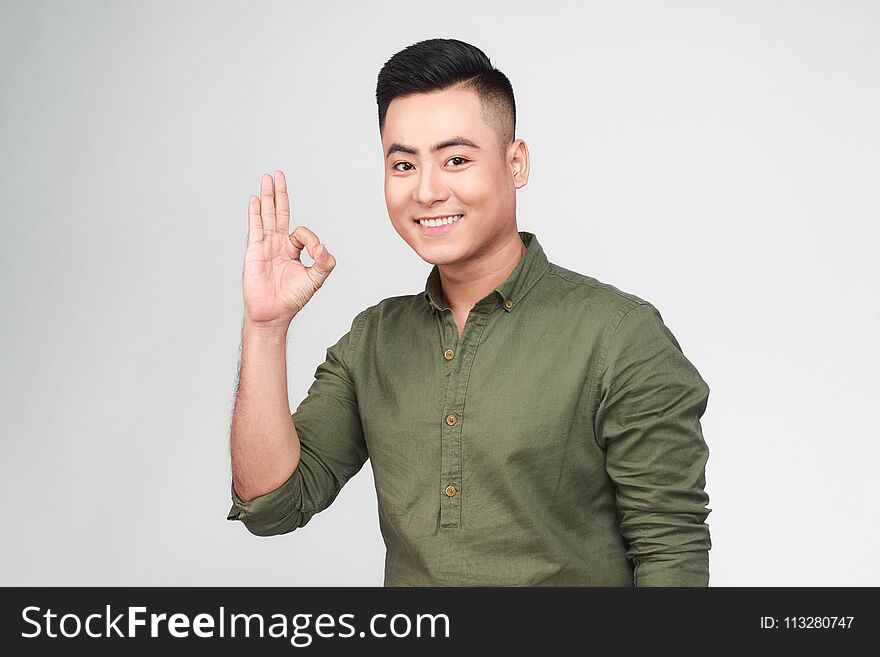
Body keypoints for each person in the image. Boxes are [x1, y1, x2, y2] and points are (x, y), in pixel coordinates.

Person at [226, 38, 712, 586]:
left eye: (456, 159)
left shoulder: (619, 335)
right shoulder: (373, 342)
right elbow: (271, 505)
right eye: (404, 164)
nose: (428, 190)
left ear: (516, 162)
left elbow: (671, 553)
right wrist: (265, 329)